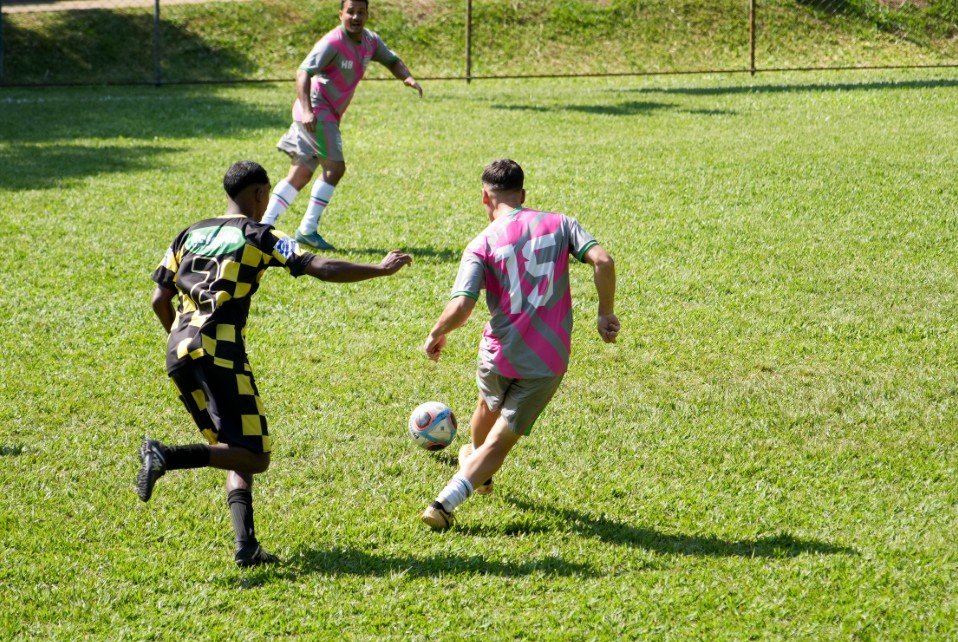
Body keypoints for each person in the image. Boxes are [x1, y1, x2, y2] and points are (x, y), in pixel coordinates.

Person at [137, 160, 412, 566]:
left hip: (178, 351)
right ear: (260, 193)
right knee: (256, 456)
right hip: (219, 351)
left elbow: (159, 299)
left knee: (235, 447)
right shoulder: (258, 234)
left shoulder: (189, 234)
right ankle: (166, 456)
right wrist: (379, 269)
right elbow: (319, 267)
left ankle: (246, 545)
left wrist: (183, 341)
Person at [419, 159, 620, 530]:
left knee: (487, 405)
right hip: (546, 360)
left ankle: (479, 473)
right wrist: (604, 312)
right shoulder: (561, 224)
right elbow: (603, 261)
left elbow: (462, 306)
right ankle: (445, 502)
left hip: (497, 353)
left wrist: (437, 332)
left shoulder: (481, 243)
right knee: (500, 442)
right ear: (523, 194)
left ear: (485, 197)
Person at [260, 0, 424, 250]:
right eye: (351, 12)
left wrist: (407, 77)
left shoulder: (370, 41)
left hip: (324, 113)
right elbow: (303, 72)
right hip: (316, 111)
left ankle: (263, 227)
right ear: (341, 14)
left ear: (367, 14)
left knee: (301, 173)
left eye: (361, 12)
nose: (356, 17)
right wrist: (307, 110)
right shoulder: (332, 42)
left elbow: (392, 60)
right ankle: (307, 229)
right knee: (335, 168)